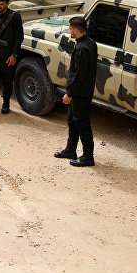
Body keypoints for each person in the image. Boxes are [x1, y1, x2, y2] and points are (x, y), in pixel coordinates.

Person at [54, 16, 98, 167]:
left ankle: (88, 156)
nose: (69, 31)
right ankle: (70, 150)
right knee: (72, 121)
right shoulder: (90, 43)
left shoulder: (81, 48)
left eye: (70, 28)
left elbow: (79, 74)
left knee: (82, 123)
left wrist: (70, 93)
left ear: (77, 30)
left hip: (80, 93)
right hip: (82, 91)